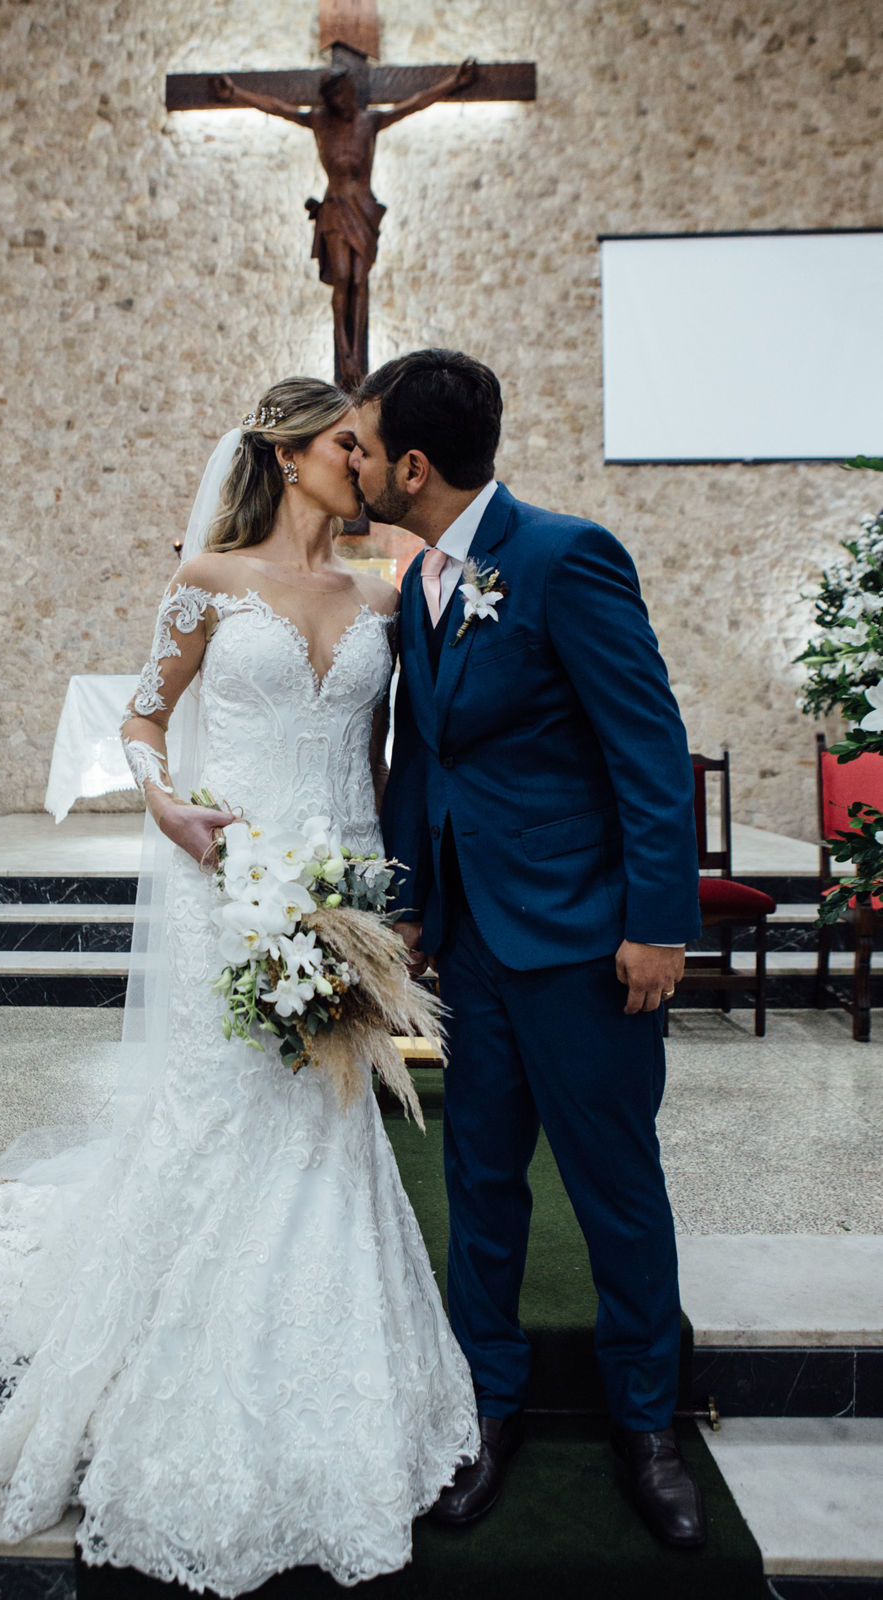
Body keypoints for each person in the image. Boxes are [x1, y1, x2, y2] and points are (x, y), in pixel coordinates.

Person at [0, 378, 478, 1596]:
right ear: (290, 454)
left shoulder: (380, 595)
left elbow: (386, 752)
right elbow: (142, 721)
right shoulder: (207, 579)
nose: (365, 461)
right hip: (228, 878)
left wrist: (391, 895)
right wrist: (162, 803)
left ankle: (320, 1381)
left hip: (338, 885)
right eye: (346, 443)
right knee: (226, 1112)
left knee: (324, 1124)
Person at [349, 349, 707, 1549]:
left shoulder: (564, 557)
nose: (351, 466)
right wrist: (405, 906)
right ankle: (483, 1407)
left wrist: (656, 922)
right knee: (480, 1186)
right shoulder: (419, 587)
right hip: (472, 948)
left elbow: (647, 749)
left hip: (583, 946)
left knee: (612, 1191)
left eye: (363, 446)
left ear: (413, 464)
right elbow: (424, 759)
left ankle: (647, 1422)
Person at [213, 62, 477, 386]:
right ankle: (346, 354)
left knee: (359, 279)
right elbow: (279, 107)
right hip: (336, 207)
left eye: (343, 93)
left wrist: (453, 81)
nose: (339, 102)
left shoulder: (371, 121)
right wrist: (236, 93)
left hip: (363, 208)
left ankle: (356, 354)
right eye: (333, 97)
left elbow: (416, 101)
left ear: (351, 90)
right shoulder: (319, 121)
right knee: (341, 279)